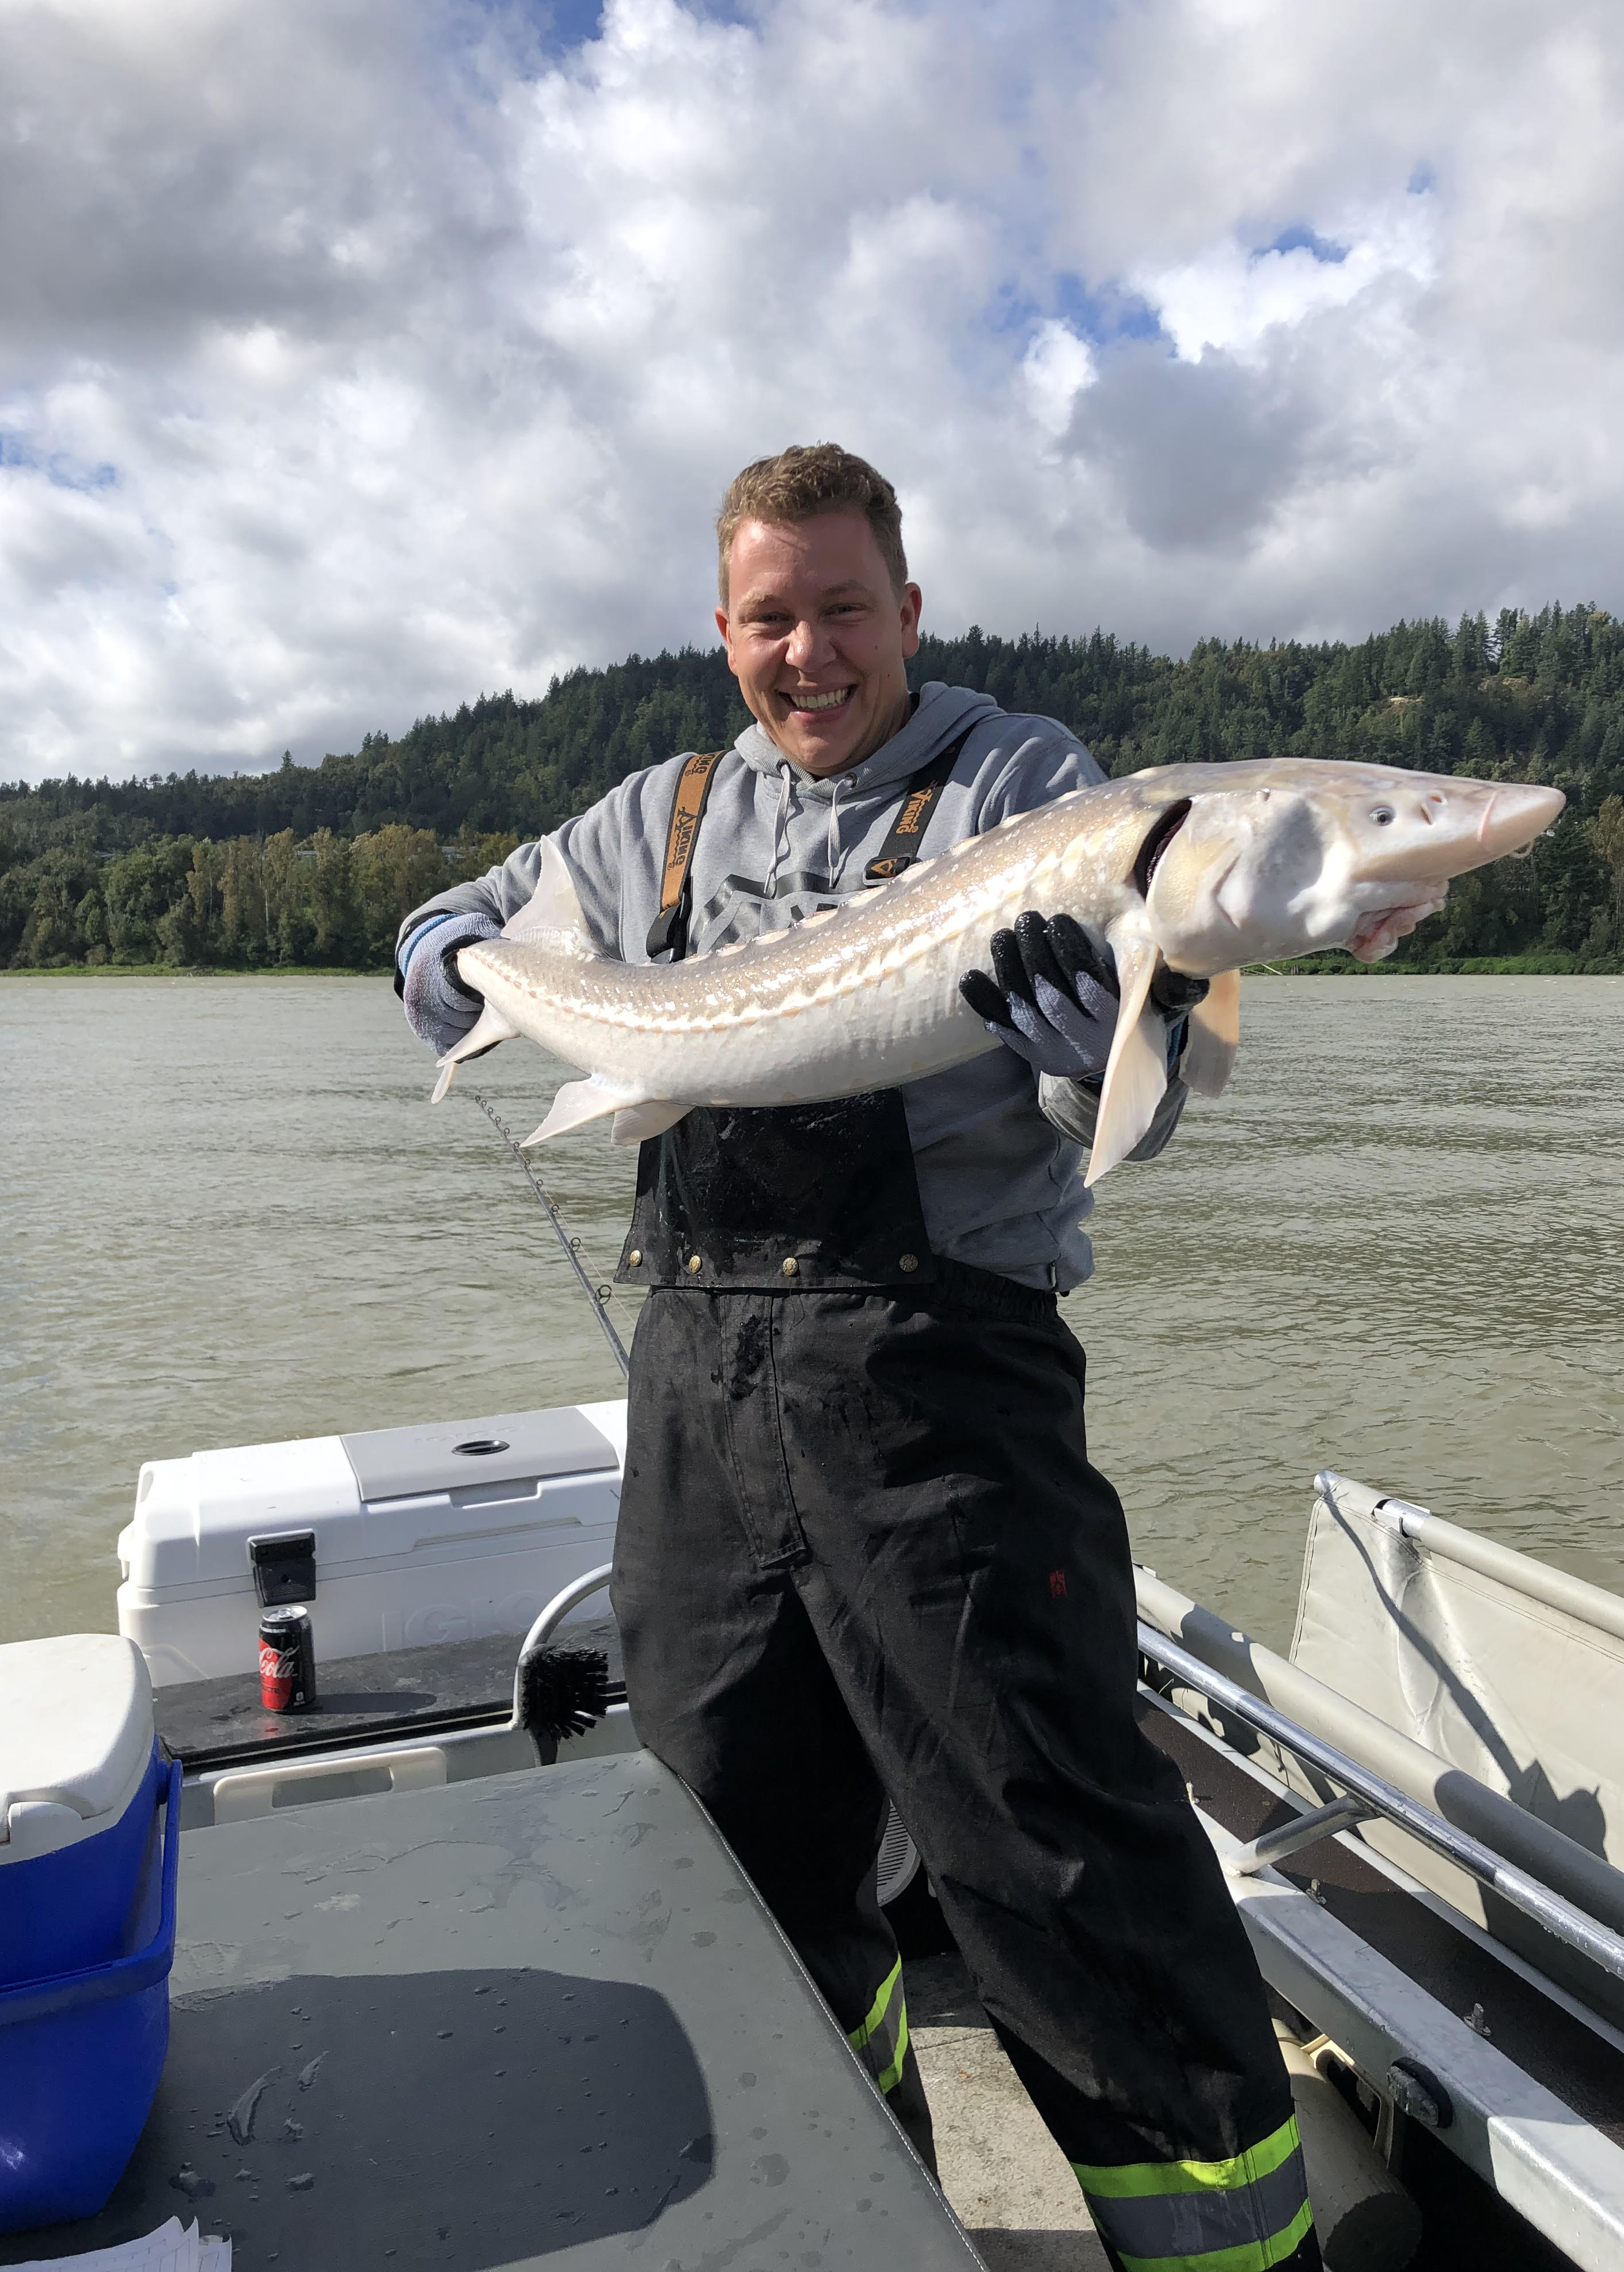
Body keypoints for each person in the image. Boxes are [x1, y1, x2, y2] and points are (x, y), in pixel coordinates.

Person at [396, 445, 1319, 2272]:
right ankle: (864, 2188)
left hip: (944, 1397)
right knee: (737, 1825)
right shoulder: (656, 814)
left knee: (1053, 1864)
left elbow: (1171, 1082)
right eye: (770, 618)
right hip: (699, 1396)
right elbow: (473, 921)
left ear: (910, 609)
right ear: (722, 631)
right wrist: (436, 953)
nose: (808, 653)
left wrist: (1092, 1036)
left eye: (842, 611)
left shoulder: (1027, 782)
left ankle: (1229, 2251)